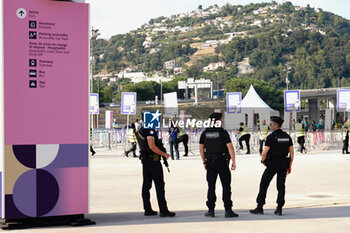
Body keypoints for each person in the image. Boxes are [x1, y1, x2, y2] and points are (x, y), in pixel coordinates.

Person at [250, 116, 294, 216]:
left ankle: (260, 207)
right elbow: (292, 153)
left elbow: (264, 153)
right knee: (281, 186)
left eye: (271, 124)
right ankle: (279, 208)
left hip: (273, 163)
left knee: (264, 183)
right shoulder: (287, 136)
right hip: (283, 163)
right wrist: (289, 166)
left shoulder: (271, 137)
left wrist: (262, 161)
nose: (269, 126)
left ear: (276, 125)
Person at [199, 112, 239, 218]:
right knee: (226, 186)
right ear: (217, 121)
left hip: (210, 162)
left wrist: (204, 162)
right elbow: (230, 147)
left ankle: (211, 210)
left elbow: (201, 149)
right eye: (221, 120)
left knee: (211, 186)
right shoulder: (223, 133)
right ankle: (228, 210)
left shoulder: (205, 133)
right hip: (222, 162)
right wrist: (234, 161)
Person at [135, 125, 176, 217]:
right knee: (159, 185)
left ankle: (147, 209)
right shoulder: (149, 131)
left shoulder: (141, 130)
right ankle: (163, 210)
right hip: (153, 161)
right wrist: (164, 154)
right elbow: (152, 146)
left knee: (146, 185)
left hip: (146, 161)